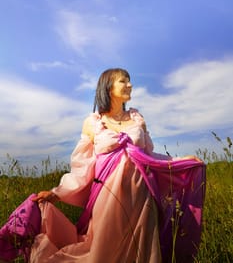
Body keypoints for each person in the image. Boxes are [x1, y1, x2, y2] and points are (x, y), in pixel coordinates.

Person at [0, 68, 206, 263]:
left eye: (129, 80)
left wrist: (180, 160)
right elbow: (82, 167)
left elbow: (150, 156)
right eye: (123, 81)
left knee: (143, 247)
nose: (130, 85)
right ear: (108, 87)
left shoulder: (137, 120)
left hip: (142, 195)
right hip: (109, 197)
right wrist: (57, 193)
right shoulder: (93, 123)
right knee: (106, 247)